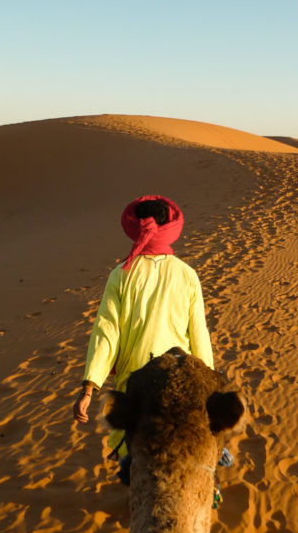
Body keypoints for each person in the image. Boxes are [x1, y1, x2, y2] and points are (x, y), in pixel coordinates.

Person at [73, 195, 213, 475]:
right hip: (179, 377)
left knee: (136, 455)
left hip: (134, 380)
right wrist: (208, 384)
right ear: (171, 226)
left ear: (135, 227)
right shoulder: (186, 275)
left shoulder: (121, 275)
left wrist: (90, 386)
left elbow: (106, 331)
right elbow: (199, 334)